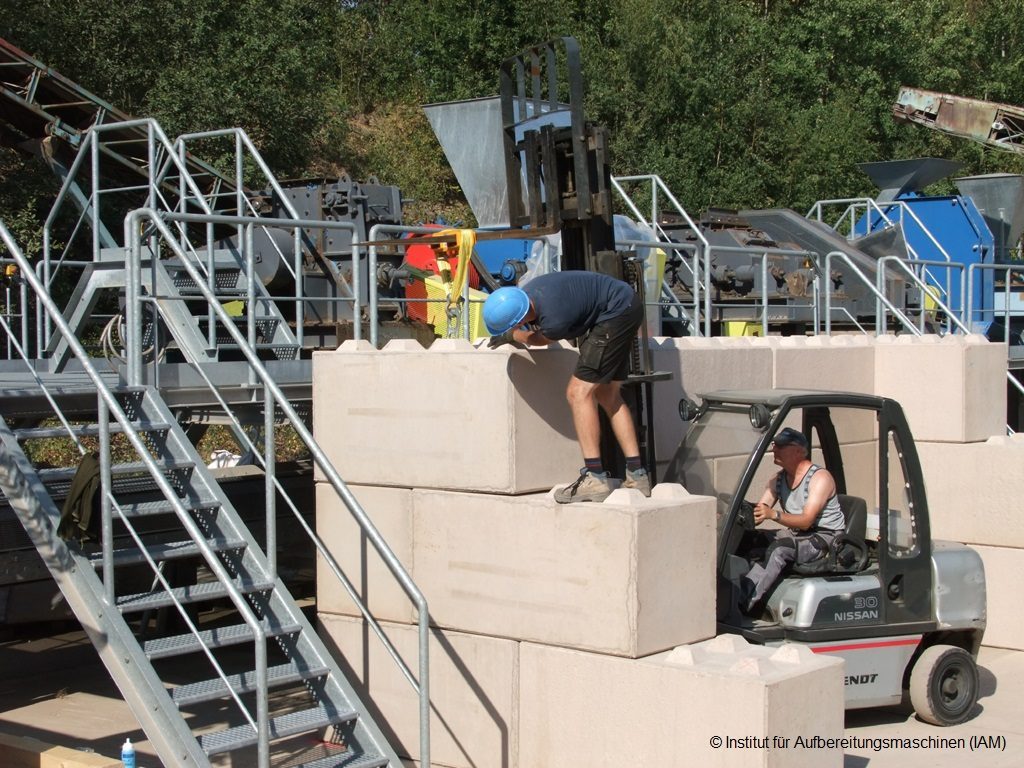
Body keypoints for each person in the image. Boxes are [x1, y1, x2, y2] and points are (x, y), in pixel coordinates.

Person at [482, 271, 651, 503]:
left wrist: (515, 336)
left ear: (519, 320)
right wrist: (517, 332)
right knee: (607, 394)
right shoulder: (534, 290)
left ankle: (595, 478)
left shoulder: (555, 320)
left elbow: (542, 339)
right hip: (625, 303)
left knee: (577, 392)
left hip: (615, 313)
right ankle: (637, 474)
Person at [739, 427, 845, 616]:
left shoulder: (820, 478)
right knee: (748, 540)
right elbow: (759, 511)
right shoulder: (778, 479)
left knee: (778, 549)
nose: (774, 448)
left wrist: (774, 515)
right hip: (797, 534)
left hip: (823, 538)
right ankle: (732, 591)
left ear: (799, 451)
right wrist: (734, 514)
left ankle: (742, 605)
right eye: (774, 444)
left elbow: (805, 521)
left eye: (781, 445)